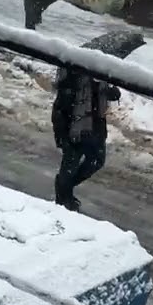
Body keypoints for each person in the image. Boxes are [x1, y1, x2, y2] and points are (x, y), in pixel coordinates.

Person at [51, 66, 119, 210]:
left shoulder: (103, 73)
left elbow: (111, 94)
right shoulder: (74, 72)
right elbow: (61, 106)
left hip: (96, 126)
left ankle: (65, 187)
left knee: (96, 161)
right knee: (71, 162)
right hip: (74, 126)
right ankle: (63, 199)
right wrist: (62, 134)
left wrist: (112, 90)